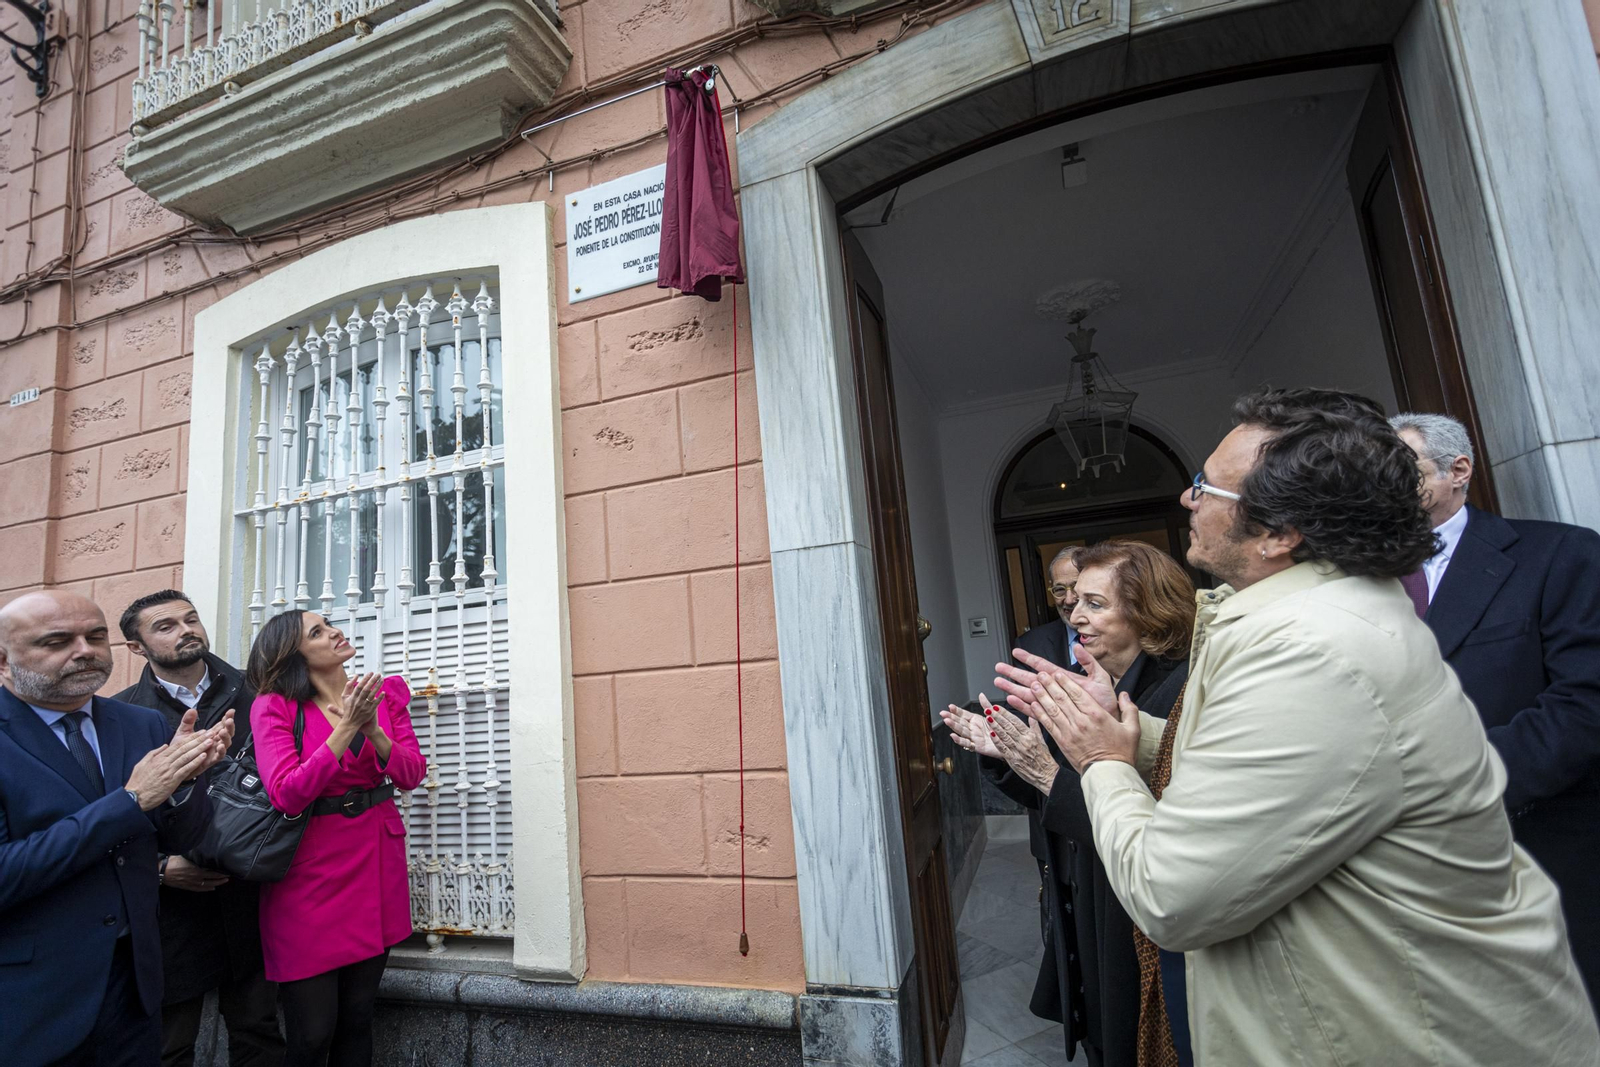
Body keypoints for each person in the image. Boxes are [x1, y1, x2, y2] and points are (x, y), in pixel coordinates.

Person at [996, 389, 1598, 1066]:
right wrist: (1135, 735)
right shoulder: (1306, 616)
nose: (1187, 499)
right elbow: (1284, 764)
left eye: (1206, 487)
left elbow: (1172, 895)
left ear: (1279, 533)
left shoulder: (1307, 649)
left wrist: (1102, 760)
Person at [945, 541, 1192, 1067]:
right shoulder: (1100, 684)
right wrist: (1009, 754)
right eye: (1073, 600)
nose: (1075, 616)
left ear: (1148, 610)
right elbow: (1059, 791)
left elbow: (1149, 818)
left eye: (1094, 604)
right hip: (1088, 894)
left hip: (1134, 914)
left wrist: (1044, 769)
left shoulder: (1180, 692)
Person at [1391, 410, 1600, 1009]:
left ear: (1458, 471)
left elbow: (1584, 704)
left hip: (1543, 852)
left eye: (1401, 468)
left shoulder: (1558, 553)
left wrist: (1452, 785)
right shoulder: (1357, 585)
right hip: (1415, 879)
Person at [0, 590, 232, 1067]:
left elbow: (180, 838)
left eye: (95, 636)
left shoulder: (141, 723)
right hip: (29, 998)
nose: (84, 651)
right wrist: (131, 801)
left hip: (134, 987)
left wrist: (186, 782)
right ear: (4, 660)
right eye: (57, 641)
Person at [246, 610, 426, 1067]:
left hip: (376, 862)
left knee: (358, 1017)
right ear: (294, 655)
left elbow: (411, 774)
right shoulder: (274, 706)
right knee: (312, 1033)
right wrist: (346, 729)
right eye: (318, 632)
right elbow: (286, 793)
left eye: (329, 624)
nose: (335, 632)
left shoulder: (383, 693)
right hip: (308, 873)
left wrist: (373, 730)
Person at [114, 590, 285, 1067]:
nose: (186, 630)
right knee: (168, 1043)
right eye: (165, 626)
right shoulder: (122, 715)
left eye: (190, 619)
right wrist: (161, 868)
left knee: (259, 1031)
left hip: (253, 893)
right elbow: (111, 811)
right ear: (136, 647)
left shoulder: (260, 692)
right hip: (172, 908)